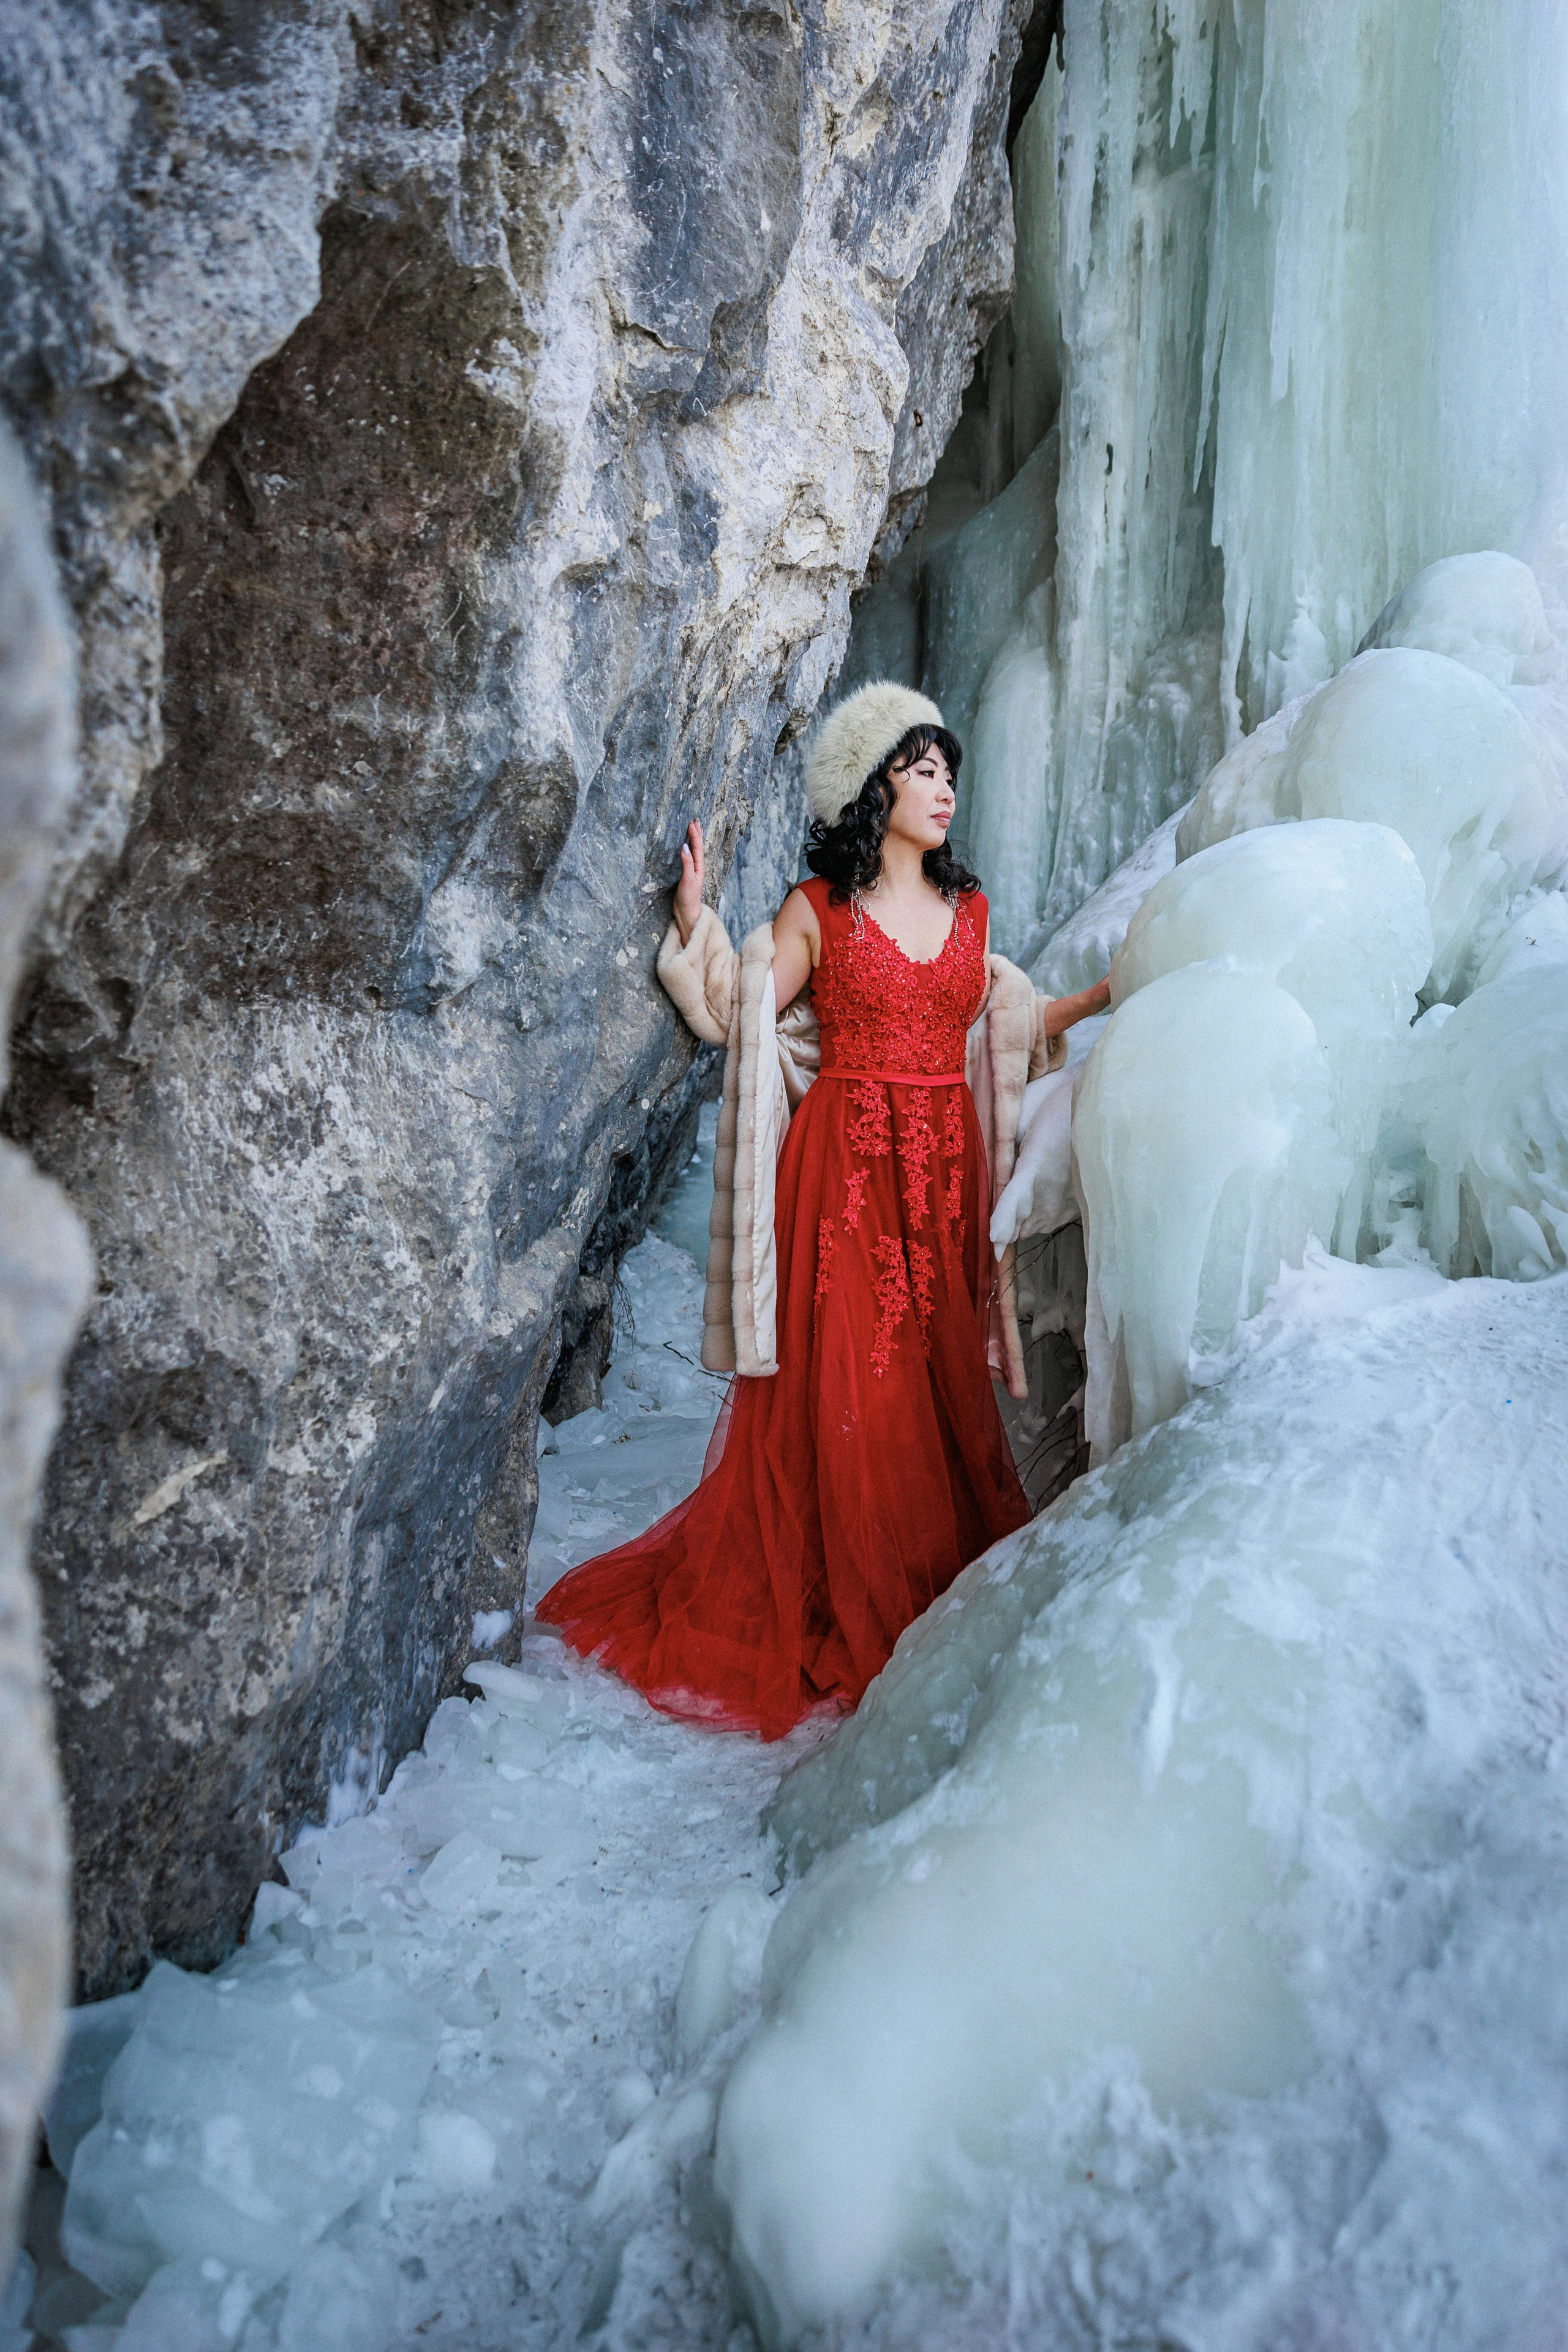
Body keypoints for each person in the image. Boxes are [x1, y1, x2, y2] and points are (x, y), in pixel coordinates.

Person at [536, 683, 1111, 1738]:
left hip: (941, 1175)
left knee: (935, 1386)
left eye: (950, 772)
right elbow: (739, 1008)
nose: (943, 789)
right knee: (859, 1387)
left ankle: (935, 1603)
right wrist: (695, 924)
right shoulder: (818, 907)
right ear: (872, 781)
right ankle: (847, 1602)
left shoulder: (970, 911)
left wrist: (1100, 1000)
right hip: (844, 1172)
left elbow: (1003, 1022)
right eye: (921, 768)